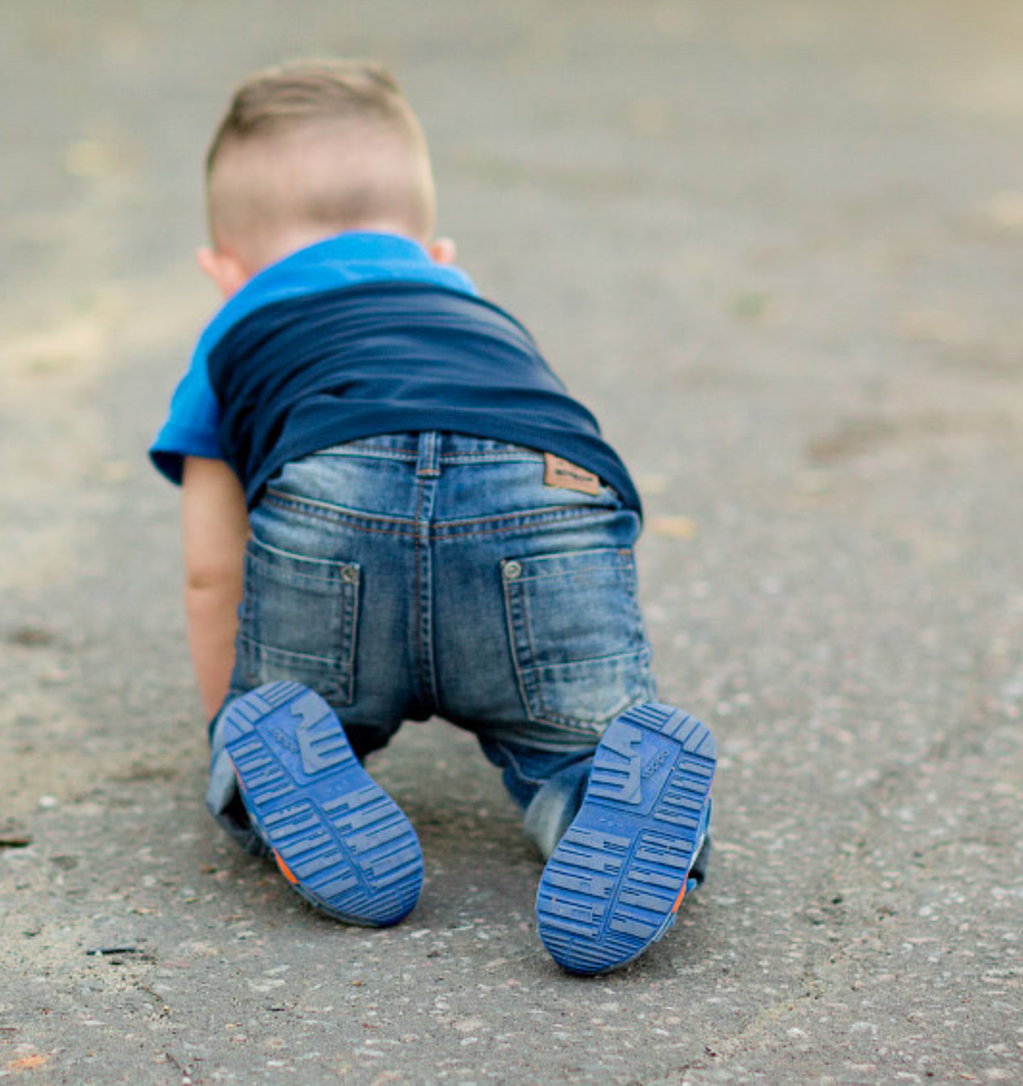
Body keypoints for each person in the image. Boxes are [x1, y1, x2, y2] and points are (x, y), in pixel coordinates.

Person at [151, 59, 715, 975]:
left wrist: (233, 717)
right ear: (437, 256)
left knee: (283, 732)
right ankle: (598, 793)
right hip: (542, 494)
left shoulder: (235, 332)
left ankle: (284, 758)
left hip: (334, 492)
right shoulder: (478, 316)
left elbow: (212, 567)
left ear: (225, 273)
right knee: (579, 745)